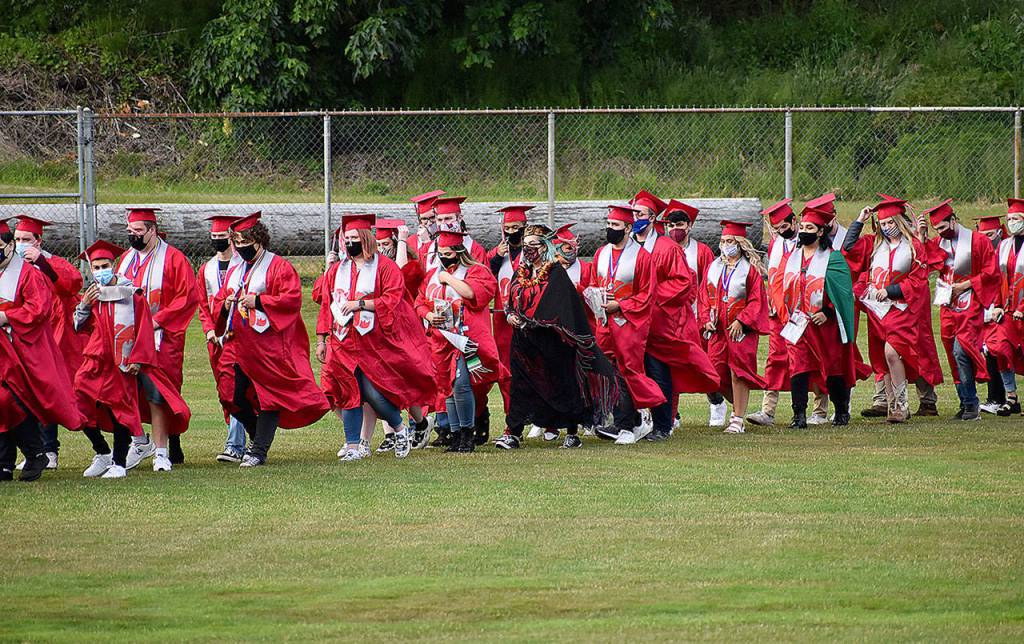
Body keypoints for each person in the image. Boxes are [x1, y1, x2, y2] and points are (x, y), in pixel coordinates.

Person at [213, 212, 330, 466]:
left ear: (259, 240)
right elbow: (221, 299)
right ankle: (257, 437)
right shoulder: (236, 268)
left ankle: (258, 450)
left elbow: (291, 300)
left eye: (247, 243)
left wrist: (259, 301)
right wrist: (225, 305)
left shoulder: (278, 266)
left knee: (270, 395)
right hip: (238, 343)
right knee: (231, 396)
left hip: (268, 344)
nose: (242, 248)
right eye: (238, 243)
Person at [316, 213, 435, 461]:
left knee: (373, 393)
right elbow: (327, 304)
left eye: (354, 238)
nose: (350, 243)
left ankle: (400, 430)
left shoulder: (384, 267)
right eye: (346, 238)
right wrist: (321, 340)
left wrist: (360, 304)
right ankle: (353, 446)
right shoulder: (338, 269)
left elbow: (393, 299)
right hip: (343, 341)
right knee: (347, 391)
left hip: (374, 342)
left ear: (366, 239)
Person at [496, 225, 623, 449]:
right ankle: (512, 432)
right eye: (525, 246)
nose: (528, 250)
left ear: (544, 246)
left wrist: (536, 321)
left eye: (533, 245)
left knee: (563, 385)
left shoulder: (556, 273)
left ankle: (572, 430)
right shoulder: (522, 272)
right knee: (520, 386)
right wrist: (511, 316)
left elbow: (559, 306)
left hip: (553, 341)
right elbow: (513, 300)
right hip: (523, 342)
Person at [72, 240, 191, 478]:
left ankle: (118, 462)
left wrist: (137, 358)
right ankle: (102, 451)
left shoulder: (132, 294)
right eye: (95, 267)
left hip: (122, 360)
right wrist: (84, 305)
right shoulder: (92, 294)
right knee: (78, 400)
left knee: (121, 407)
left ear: (114, 265)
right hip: (96, 359)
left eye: (104, 265)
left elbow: (145, 329)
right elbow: (79, 327)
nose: (100, 271)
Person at [629, 191, 719, 440]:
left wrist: (649, 297)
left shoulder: (667, 248)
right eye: (632, 213)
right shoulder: (628, 247)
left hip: (658, 324)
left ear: (652, 217)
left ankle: (662, 425)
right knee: (631, 372)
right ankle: (631, 423)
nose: (634, 218)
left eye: (639, 214)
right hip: (630, 323)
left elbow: (683, 282)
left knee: (658, 373)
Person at [842, 195, 940, 422]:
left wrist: (891, 290)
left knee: (892, 352)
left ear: (900, 221)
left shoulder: (914, 246)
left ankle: (902, 404)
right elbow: (849, 248)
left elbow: (918, 279)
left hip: (901, 309)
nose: (887, 228)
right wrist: (859, 221)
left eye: (890, 223)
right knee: (882, 357)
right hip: (878, 310)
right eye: (883, 224)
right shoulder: (875, 244)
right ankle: (894, 406)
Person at [117, 208, 199, 471]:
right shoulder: (126, 260)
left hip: (160, 338)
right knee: (128, 392)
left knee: (158, 393)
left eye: (138, 231)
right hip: (129, 338)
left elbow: (186, 297)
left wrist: (157, 320)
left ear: (152, 230)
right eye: (130, 232)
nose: (133, 236)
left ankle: (162, 452)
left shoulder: (174, 259)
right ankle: (139, 441)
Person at [0, 228, 83, 481]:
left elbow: (39, 310)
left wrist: (7, 317)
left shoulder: (27, 274)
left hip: (23, 349)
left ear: (9, 246)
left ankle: (35, 452)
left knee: (10, 401)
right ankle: (6, 461)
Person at [415, 229, 503, 453]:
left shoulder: (475, 271)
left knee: (462, 384)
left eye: (448, 253)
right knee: (448, 388)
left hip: (466, 339)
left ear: (458, 252)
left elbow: (472, 294)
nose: (444, 258)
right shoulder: (432, 274)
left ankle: (467, 433)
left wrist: (449, 279)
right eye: (440, 253)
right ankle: (455, 436)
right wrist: (429, 316)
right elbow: (419, 302)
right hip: (440, 340)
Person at [918, 199, 1000, 421]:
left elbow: (991, 273)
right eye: (937, 229)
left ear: (953, 220)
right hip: (949, 306)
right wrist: (923, 237)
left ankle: (972, 404)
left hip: (971, 304)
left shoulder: (978, 241)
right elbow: (926, 263)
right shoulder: (940, 243)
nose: (940, 232)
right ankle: (964, 404)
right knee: (953, 355)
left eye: (943, 227)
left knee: (961, 350)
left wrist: (966, 285)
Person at [589, 204, 664, 444]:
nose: (610, 229)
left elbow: (646, 294)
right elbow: (594, 281)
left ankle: (630, 424)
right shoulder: (601, 253)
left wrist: (620, 306)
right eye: (608, 224)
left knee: (628, 371)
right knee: (610, 371)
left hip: (629, 325)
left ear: (628, 228)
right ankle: (622, 420)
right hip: (604, 323)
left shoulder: (641, 256)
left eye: (615, 226)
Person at [779, 207, 860, 428]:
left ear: (821, 232)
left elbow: (843, 293)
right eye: (802, 227)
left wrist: (828, 312)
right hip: (799, 323)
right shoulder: (791, 258)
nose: (804, 232)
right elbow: (781, 288)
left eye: (810, 228)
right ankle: (799, 416)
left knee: (832, 367)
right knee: (798, 366)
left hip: (824, 325)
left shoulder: (833, 259)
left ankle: (841, 410)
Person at [367, 218, 434, 451]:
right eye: (378, 243)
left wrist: (403, 241)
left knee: (402, 379)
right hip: (378, 327)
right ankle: (391, 434)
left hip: (403, 327)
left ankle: (421, 422)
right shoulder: (370, 265)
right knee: (381, 380)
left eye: (386, 243)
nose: (381, 248)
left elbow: (400, 274)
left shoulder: (410, 265)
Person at [697, 221, 769, 434]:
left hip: (740, 331)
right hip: (718, 330)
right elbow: (703, 297)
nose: (725, 245)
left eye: (730, 241)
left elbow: (757, 301)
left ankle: (737, 418)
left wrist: (742, 320)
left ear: (740, 243)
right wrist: (705, 319)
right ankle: (738, 406)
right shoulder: (714, 267)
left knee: (738, 372)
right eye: (722, 241)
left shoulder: (750, 271)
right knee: (714, 373)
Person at [662, 199, 726, 428]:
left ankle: (716, 401)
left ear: (689, 226)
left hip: (697, 318)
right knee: (672, 366)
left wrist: (708, 317)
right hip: (670, 320)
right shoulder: (662, 250)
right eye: (670, 225)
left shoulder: (701, 252)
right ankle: (673, 414)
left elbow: (710, 285)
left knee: (702, 365)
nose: (674, 229)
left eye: (679, 224)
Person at [194, 215, 249, 462]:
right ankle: (248, 439)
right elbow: (202, 305)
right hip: (215, 340)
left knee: (234, 389)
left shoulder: (245, 265)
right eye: (213, 237)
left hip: (239, 337)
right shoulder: (206, 269)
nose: (217, 241)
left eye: (221, 237)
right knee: (224, 390)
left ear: (232, 238)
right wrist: (210, 331)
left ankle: (235, 445)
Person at [977, 206, 1024, 416]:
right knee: (999, 349)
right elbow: (997, 278)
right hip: (1006, 309)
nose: (1012, 222)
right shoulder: (1004, 245)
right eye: (1010, 218)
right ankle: (1012, 398)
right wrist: (996, 305)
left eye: (1016, 218)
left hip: (1021, 309)